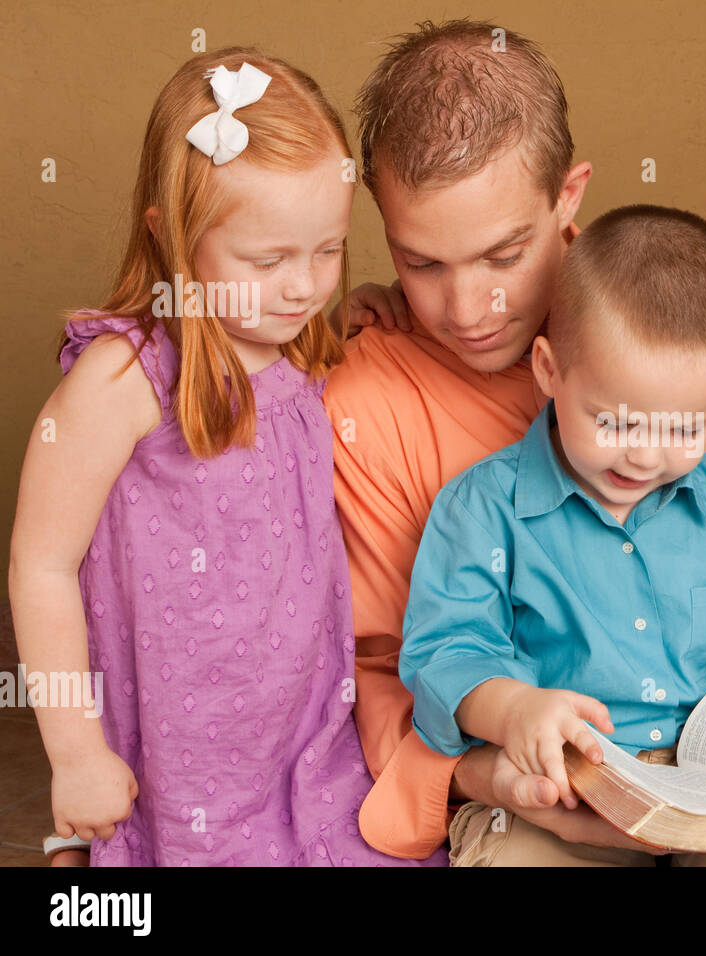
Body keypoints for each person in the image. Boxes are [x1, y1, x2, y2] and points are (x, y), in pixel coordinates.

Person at [324, 18, 706, 865]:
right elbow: (388, 670)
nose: (467, 310)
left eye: (503, 255)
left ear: (568, 195)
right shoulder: (365, 405)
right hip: (535, 800)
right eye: (422, 264)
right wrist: (492, 776)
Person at [9, 49, 442, 866]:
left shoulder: (302, 347)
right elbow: (40, 565)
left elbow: (312, 308)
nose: (301, 286)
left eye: (327, 250)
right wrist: (74, 751)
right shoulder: (125, 378)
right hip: (179, 745)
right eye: (268, 260)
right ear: (172, 236)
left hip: (299, 731)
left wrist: (357, 307)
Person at [400, 205, 706, 865]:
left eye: (684, 428)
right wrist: (515, 709)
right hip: (560, 790)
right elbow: (446, 651)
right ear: (550, 371)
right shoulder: (481, 508)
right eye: (615, 421)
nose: (643, 456)